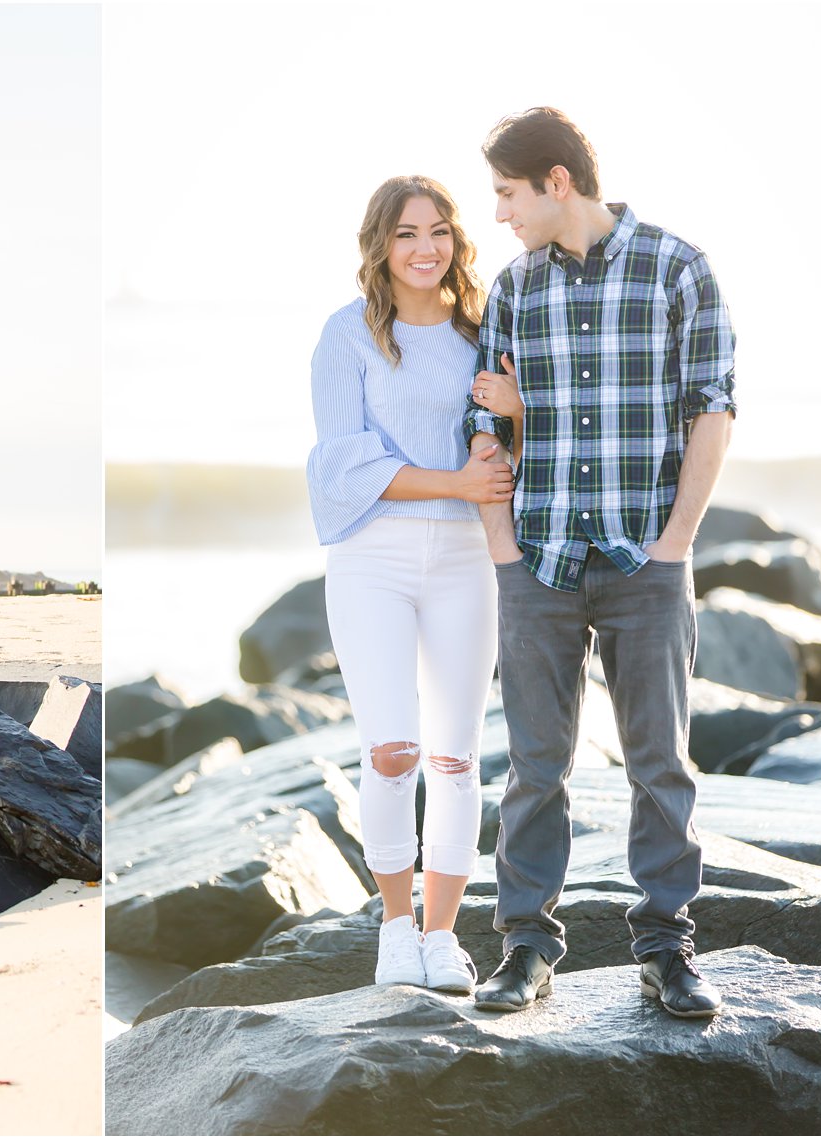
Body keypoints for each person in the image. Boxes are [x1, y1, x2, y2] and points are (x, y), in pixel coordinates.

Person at [465, 108, 735, 1019]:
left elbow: (713, 407)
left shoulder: (677, 268)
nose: (499, 214)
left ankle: (667, 947)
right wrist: (505, 554)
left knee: (660, 762)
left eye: (507, 194)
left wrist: (676, 545)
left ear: (556, 181)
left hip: (645, 562)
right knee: (535, 766)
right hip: (538, 559)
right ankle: (525, 950)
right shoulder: (511, 290)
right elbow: (487, 431)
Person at [307, 175, 515, 994]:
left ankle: (441, 937)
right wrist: (454, 483)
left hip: (467, 562)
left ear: (456, 241)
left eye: (437, 231)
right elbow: (343, 466)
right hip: (373, 559)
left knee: (457, 757)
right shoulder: (348, 333)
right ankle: (395, 930)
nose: (425, 248)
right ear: (380, 246)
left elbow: (508, 451)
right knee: (392, 750)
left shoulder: (481, 331)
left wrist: (519, 409)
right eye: (405, 234)